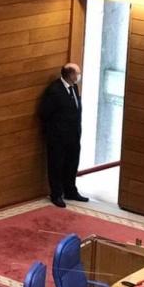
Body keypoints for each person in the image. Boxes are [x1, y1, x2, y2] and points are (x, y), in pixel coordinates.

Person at [38, 63, 88, 208]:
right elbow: (44, 113)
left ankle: (71, 190)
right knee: (56, 166)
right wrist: (55, 132)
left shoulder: (74, 87)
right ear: (70, 75)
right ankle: (57, 194)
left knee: (72, 164)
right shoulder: (54, 91)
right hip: (58, 138)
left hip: (74, 136)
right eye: (77, 73)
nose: (79, 76)